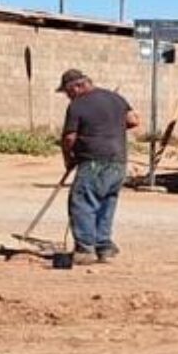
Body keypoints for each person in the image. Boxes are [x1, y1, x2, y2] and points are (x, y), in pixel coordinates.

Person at [58, 68, 139, 264]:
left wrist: (68, 158)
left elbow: (69, 138)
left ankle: (85, 249)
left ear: (76, 87)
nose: (68, 97)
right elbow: (133, 120)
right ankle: (103, 247)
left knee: (82, 201)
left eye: (68, 92)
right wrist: (111, 126)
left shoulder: (77, 105)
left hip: (94, 161)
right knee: (106, 202)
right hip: (118, 161)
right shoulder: (116, 98)